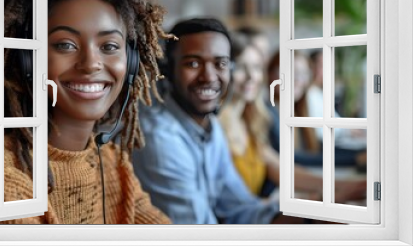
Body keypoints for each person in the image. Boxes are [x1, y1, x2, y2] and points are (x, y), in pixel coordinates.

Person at [0, 0, 172, 224]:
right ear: (27, 58)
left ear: (129, 64)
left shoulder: (110, 160)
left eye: (109, 46)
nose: (91, 64)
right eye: (65, 45)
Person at [132, 18, 299, 224]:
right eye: (193, 63)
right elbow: (200, 233)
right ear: (167, 71)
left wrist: (309, 220)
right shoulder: (159, 137)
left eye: (220, 63)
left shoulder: (211, 128)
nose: (209, 77)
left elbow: (241, 208)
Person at [220, 31, 366, 202]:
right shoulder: (216, 129)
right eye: (240, 67)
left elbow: (284, 169)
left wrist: (348, 186)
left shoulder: (251, 121)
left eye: (256, 67)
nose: (252, 76)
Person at [267, 51, 365, 167]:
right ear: (271, 74)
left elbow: (316, 149)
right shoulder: (269, 115)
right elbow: (292, 159)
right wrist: (354, 159)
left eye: (303, 74)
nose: (298, 79)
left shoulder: (297, 112)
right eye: (291, 73)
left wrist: (360, 153)